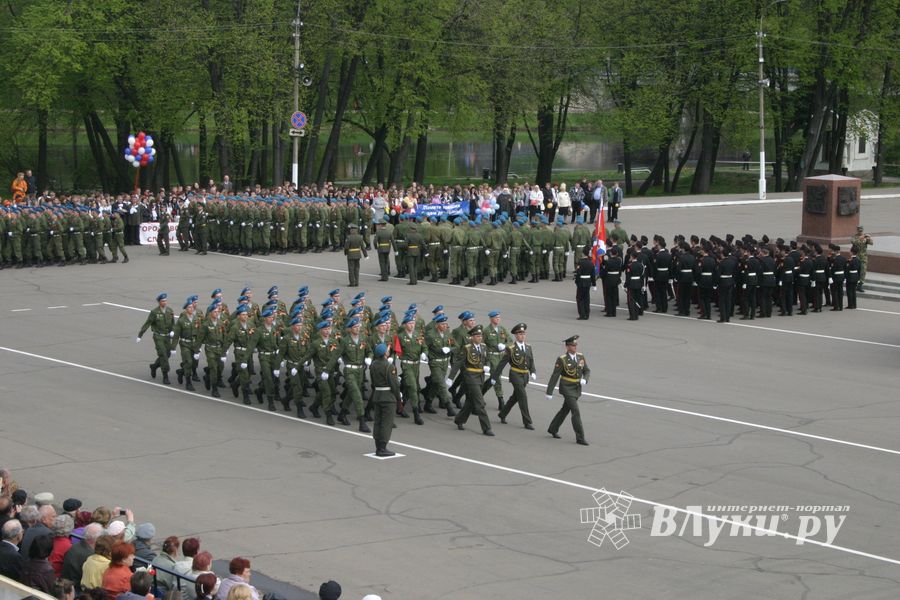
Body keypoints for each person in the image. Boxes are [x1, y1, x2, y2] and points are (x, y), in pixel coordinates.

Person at [545, 335, 591, 446]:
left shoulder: (580, 357)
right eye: (572, 345)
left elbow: (587, 370)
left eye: (575, 345)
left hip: (577, 388)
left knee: (565, 409)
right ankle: (580, 437)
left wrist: (585, 379)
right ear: (567, 347)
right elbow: (555, 376)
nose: (575, 347)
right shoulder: (562, 359)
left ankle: (553, 428)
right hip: (567, 387)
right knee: (575, 411)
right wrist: (549, 391)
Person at [450, 325, 495, 436]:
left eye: (481, 335)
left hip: (481, 376)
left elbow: (487, 359)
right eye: (477, 336)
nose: (480, 337)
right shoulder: (467, 348)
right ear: (472, 337)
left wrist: (487, 366)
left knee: (471, 401)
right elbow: (459, 363)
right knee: (480, 403)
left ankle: (459, 419)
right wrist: (451, 377)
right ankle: (486, 428)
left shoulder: (484, 347)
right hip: (471, 377)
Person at [492, 323, 536, 429]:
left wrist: (533, 371)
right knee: (523, 397)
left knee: (515, 397)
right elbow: (502, 363)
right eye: (520, 334)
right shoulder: (511, 348)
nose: (522, 335)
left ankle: (502, 414)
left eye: (523, 333)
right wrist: (494, 377)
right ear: (516, 336)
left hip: (525, 376)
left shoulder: (528, 347)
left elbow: (531, 360)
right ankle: (527, 422)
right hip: (515, 374)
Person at [137, 293, 175, 385]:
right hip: (158, 336)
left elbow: (173, 323)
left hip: (167, 336)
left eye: (165, 301)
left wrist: (173, 331)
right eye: (162, 301)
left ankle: (154, 366)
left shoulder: (170, 311)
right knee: (163, 354)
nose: (164, 302)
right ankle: (165, 376)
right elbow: (147, 323)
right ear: (159, 302)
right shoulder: (154, 312)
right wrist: (140, 335)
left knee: (168, 354)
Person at [370, 343, 400, 457]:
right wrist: (398, 396)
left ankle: (378, 445)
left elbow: (373, 382)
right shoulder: (389, 366)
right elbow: (394, 384)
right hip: (388, 397)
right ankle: (382, 448)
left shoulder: (373, 365)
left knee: (378, 421)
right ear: (385, 353)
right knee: (386, 423)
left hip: (377, 395)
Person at [62, 522, 101, 587]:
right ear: (96, 538)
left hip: (67, 583)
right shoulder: (90, 556)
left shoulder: (75, 546)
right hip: (75, 587)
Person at [574, 245, 596, 320]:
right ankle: (587, 314)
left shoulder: (580, 262)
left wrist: (577, 282)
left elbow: (578, 273)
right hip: (588, 282)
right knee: (587, 298)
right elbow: (593, 274)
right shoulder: (591, 262)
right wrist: (594, 284)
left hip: (581, 282)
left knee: (580, 298)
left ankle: (582, 314)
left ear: (583, 253)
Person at [343, 223, 368, 287]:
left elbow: (346, 247)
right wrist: (366, 255)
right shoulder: (360, 237)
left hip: (351, 255)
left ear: (351, 230)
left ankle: (352, 283)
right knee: (357, 269)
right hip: (358, 255)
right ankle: (357, 282)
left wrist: (346, 253)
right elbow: (363, 247)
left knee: (351, 269)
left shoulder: (349, 237)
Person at [850, 225, 872, 290]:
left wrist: (869, 238)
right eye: (859, 230)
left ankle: (860, 285)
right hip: (856, 257)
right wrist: (860, 238)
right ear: (857, 230)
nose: (860, 231)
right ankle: (855, 283)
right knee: (856, 270)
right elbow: (853, 242)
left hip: (863, 257)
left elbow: (871, 243)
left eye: (861, 230)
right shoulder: (854, 237)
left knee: (863, 270)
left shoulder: (865, 236)